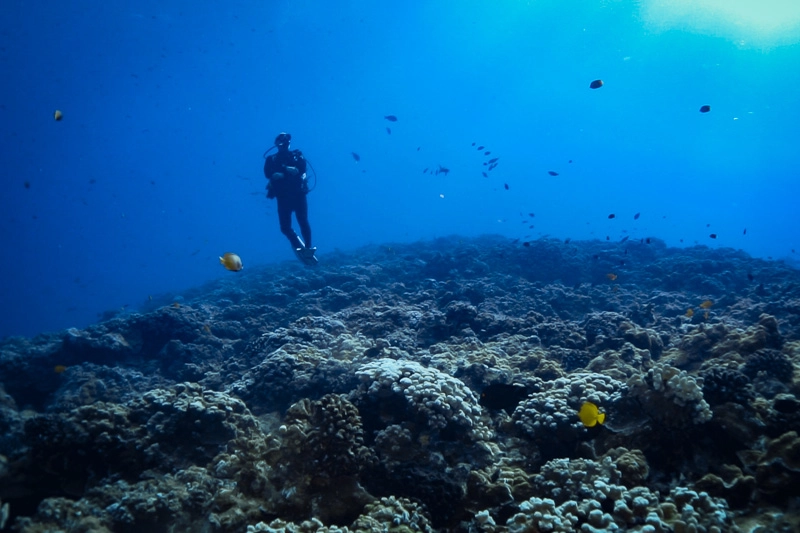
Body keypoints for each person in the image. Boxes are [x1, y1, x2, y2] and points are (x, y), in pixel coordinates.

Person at [264, 132, 317, 265]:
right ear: (276, 144)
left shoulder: (297, 155)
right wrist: (278, 174)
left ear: (289, 143)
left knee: (302, 220)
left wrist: (288, 172)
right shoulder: (271, 159)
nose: (283, 143)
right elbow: (267, 173)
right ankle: (298, 243)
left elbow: (302, 169)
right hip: (282, 197)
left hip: (298, 194)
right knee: (285, 227)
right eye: (280, 141)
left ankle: (308, 248)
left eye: (286, 141)